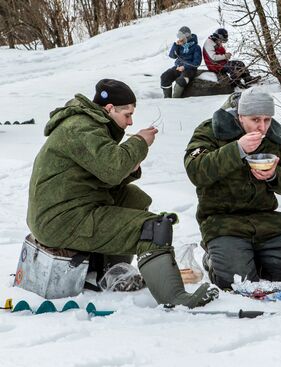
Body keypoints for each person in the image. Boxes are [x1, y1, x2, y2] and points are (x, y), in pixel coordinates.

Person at [26, 79, 218, 308]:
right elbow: (112, 169)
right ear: (109, 109)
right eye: (127, 114)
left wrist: (130, 165)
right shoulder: (80, 127)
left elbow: (102, 175)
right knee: (153, 228)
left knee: (134, 197)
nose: (130, 121)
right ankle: (176, 299)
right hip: (61, 219)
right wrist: (138, 142)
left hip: (67, 207)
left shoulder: (88, 124)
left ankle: (112, 273)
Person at [184, 88, 281, 290]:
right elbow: (196, 171)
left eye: (267, 120)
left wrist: (274, 175)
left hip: (267, 223)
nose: (262, 127)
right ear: (240, 116)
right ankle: (212, 259)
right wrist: (237, 149)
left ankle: (256, 260)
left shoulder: (274, 137)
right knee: (236, 283)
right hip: (223, 222)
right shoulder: (211, 130)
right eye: (255, 120)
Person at [160, 26, 202, 98]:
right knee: (165, 76)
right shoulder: (180, 46)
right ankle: (167, 99)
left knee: (181, 81)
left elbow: (196, 63)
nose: (179, 39)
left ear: (187, 36)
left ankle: (175, 100)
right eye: (178, 36)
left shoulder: (196, 47)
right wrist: (175, 45)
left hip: (190, 70)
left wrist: (184, 67)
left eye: (181, 36)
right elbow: (172, 56)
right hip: (178, 67)